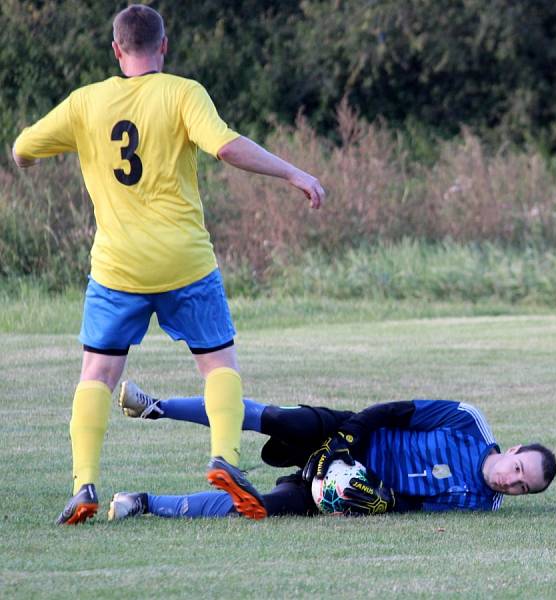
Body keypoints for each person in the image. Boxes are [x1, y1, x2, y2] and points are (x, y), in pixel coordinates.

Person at [12, 5, 325, 525]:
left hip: (117, 268)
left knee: (98, 374)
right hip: (184, 262)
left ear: (116, 50)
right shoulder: (182, 92)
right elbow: (226, 147)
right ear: (164, 46)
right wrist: (294, 174)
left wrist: (26, 162)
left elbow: (24, 146)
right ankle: (225, 457)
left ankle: (84, 484)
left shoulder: (85, 103)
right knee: (219, 365)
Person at [106, 381, 556, 520]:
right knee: (279, 419)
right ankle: (157, 408)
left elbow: (417, 504)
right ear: (512, 448)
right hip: (346, 431)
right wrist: (343, 443)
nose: (509, 480)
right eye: (517, 467)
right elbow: (391, 410)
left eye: (520, 487)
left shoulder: (482, 504)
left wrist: (376, 499)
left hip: (342, 487)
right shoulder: (468, 422)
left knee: (259, 507)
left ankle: (141, 503)